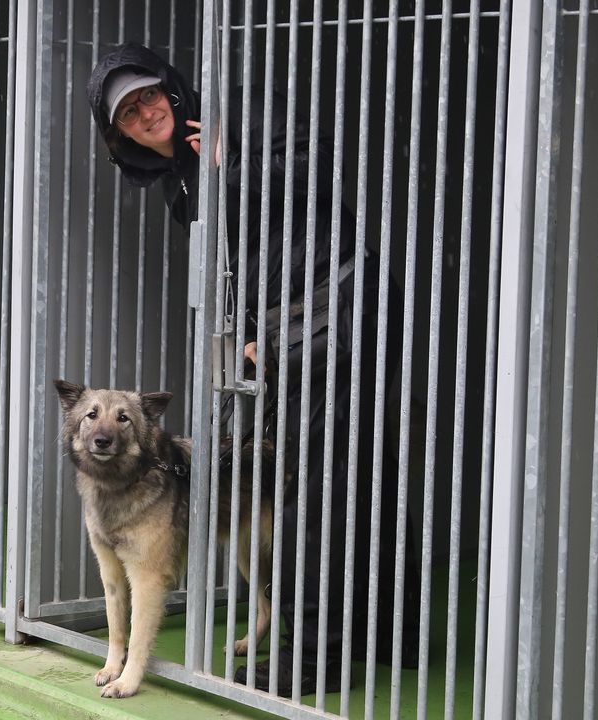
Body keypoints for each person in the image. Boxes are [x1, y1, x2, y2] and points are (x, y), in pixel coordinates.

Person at [86, 43, 419, 697]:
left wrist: (230, 164)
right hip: (292, 326)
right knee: (354, 475)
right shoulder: (180, 183)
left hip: (337, 305)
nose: (146, 112)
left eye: (149, 94)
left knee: (307, 488)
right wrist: (247, 332)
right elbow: (236, 260)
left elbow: (319, 168)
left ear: (171, 88)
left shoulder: (234, 116)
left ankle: (316, 656)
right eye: (128, 112)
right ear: (120, 136)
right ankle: (390, 635)